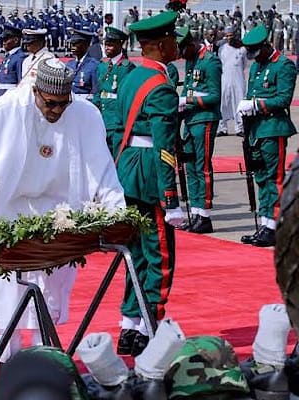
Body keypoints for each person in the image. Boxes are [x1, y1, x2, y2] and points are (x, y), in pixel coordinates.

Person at [0, 58, 125, 362]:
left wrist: (116, 212)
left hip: (58, 213)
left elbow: (101, 170)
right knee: (8, 295)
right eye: (50, 103)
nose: (56, 111)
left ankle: (44, 359)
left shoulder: (84, 114)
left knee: (47, 293)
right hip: (10, 212)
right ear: (35, 91)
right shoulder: (6, 112)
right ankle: (9, 361)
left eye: (63, 104)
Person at [115, 11, 184, 357]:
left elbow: (114, 128)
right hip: (149, 176)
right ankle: (150, 326)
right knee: (159, 255)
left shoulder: (129, 77)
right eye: (172, 39)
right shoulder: (162, 88)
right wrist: (170, 197)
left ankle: (129, 326)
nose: (177, 44)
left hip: (127, 170)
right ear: (159, 45)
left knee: (136, 255)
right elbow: (165, 147)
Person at [238, 25, 297, 247]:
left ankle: (275, 225)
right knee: (261, 177)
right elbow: (250, 94)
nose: (254, 57)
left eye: (256, 52)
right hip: (256, 129)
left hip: (273, 128)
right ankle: (265, 223)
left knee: (275, 177)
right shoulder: (257, 66)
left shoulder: (283, 65)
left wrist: (256, 105)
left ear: (266, 45)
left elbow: (283, 99)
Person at [178, 26, 222, 234]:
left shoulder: (210, 61)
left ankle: (204, 215)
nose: (181, 55)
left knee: (202, 166)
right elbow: (189, 86)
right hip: (191, 119)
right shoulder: (191, 59)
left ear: (191, 44)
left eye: (182, 50)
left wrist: (187, 99)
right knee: (191, 168)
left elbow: (214, 96)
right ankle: (196, 212)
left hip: (205, 119)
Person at [92, 27, 135, 155]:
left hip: (117, 121)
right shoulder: (102, 65)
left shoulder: (127, 67)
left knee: (117, 157)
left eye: (111, 45)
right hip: (102, 120)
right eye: (106, 45)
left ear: (120, 45)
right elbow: (98, 92)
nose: (107, 48)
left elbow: (128, 97)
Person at [217, 26, 247, 137]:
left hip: (238, 79)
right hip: (224, 79)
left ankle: (239, 128)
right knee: (223, 103)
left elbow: (244, 64)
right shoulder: (222, 48)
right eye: (227, 36)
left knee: (239, 102)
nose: (229, 38)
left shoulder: (242, 49)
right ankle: (222, 128)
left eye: (231, 35)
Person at [0, 26, 26, 98]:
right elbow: (0, 86)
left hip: (11, 99)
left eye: (6, 39)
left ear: (16, 40)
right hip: (1, 98)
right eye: (2, 40)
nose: (3, 43)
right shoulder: (8, 56)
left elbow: (21, 84)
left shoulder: (20, 58)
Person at [66, 29, 99, 101]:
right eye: (71, 43)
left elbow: (95, 90)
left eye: (75, 43)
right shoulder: (69, 64)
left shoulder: (94, 65)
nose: (72, 46)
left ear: (86, 45)